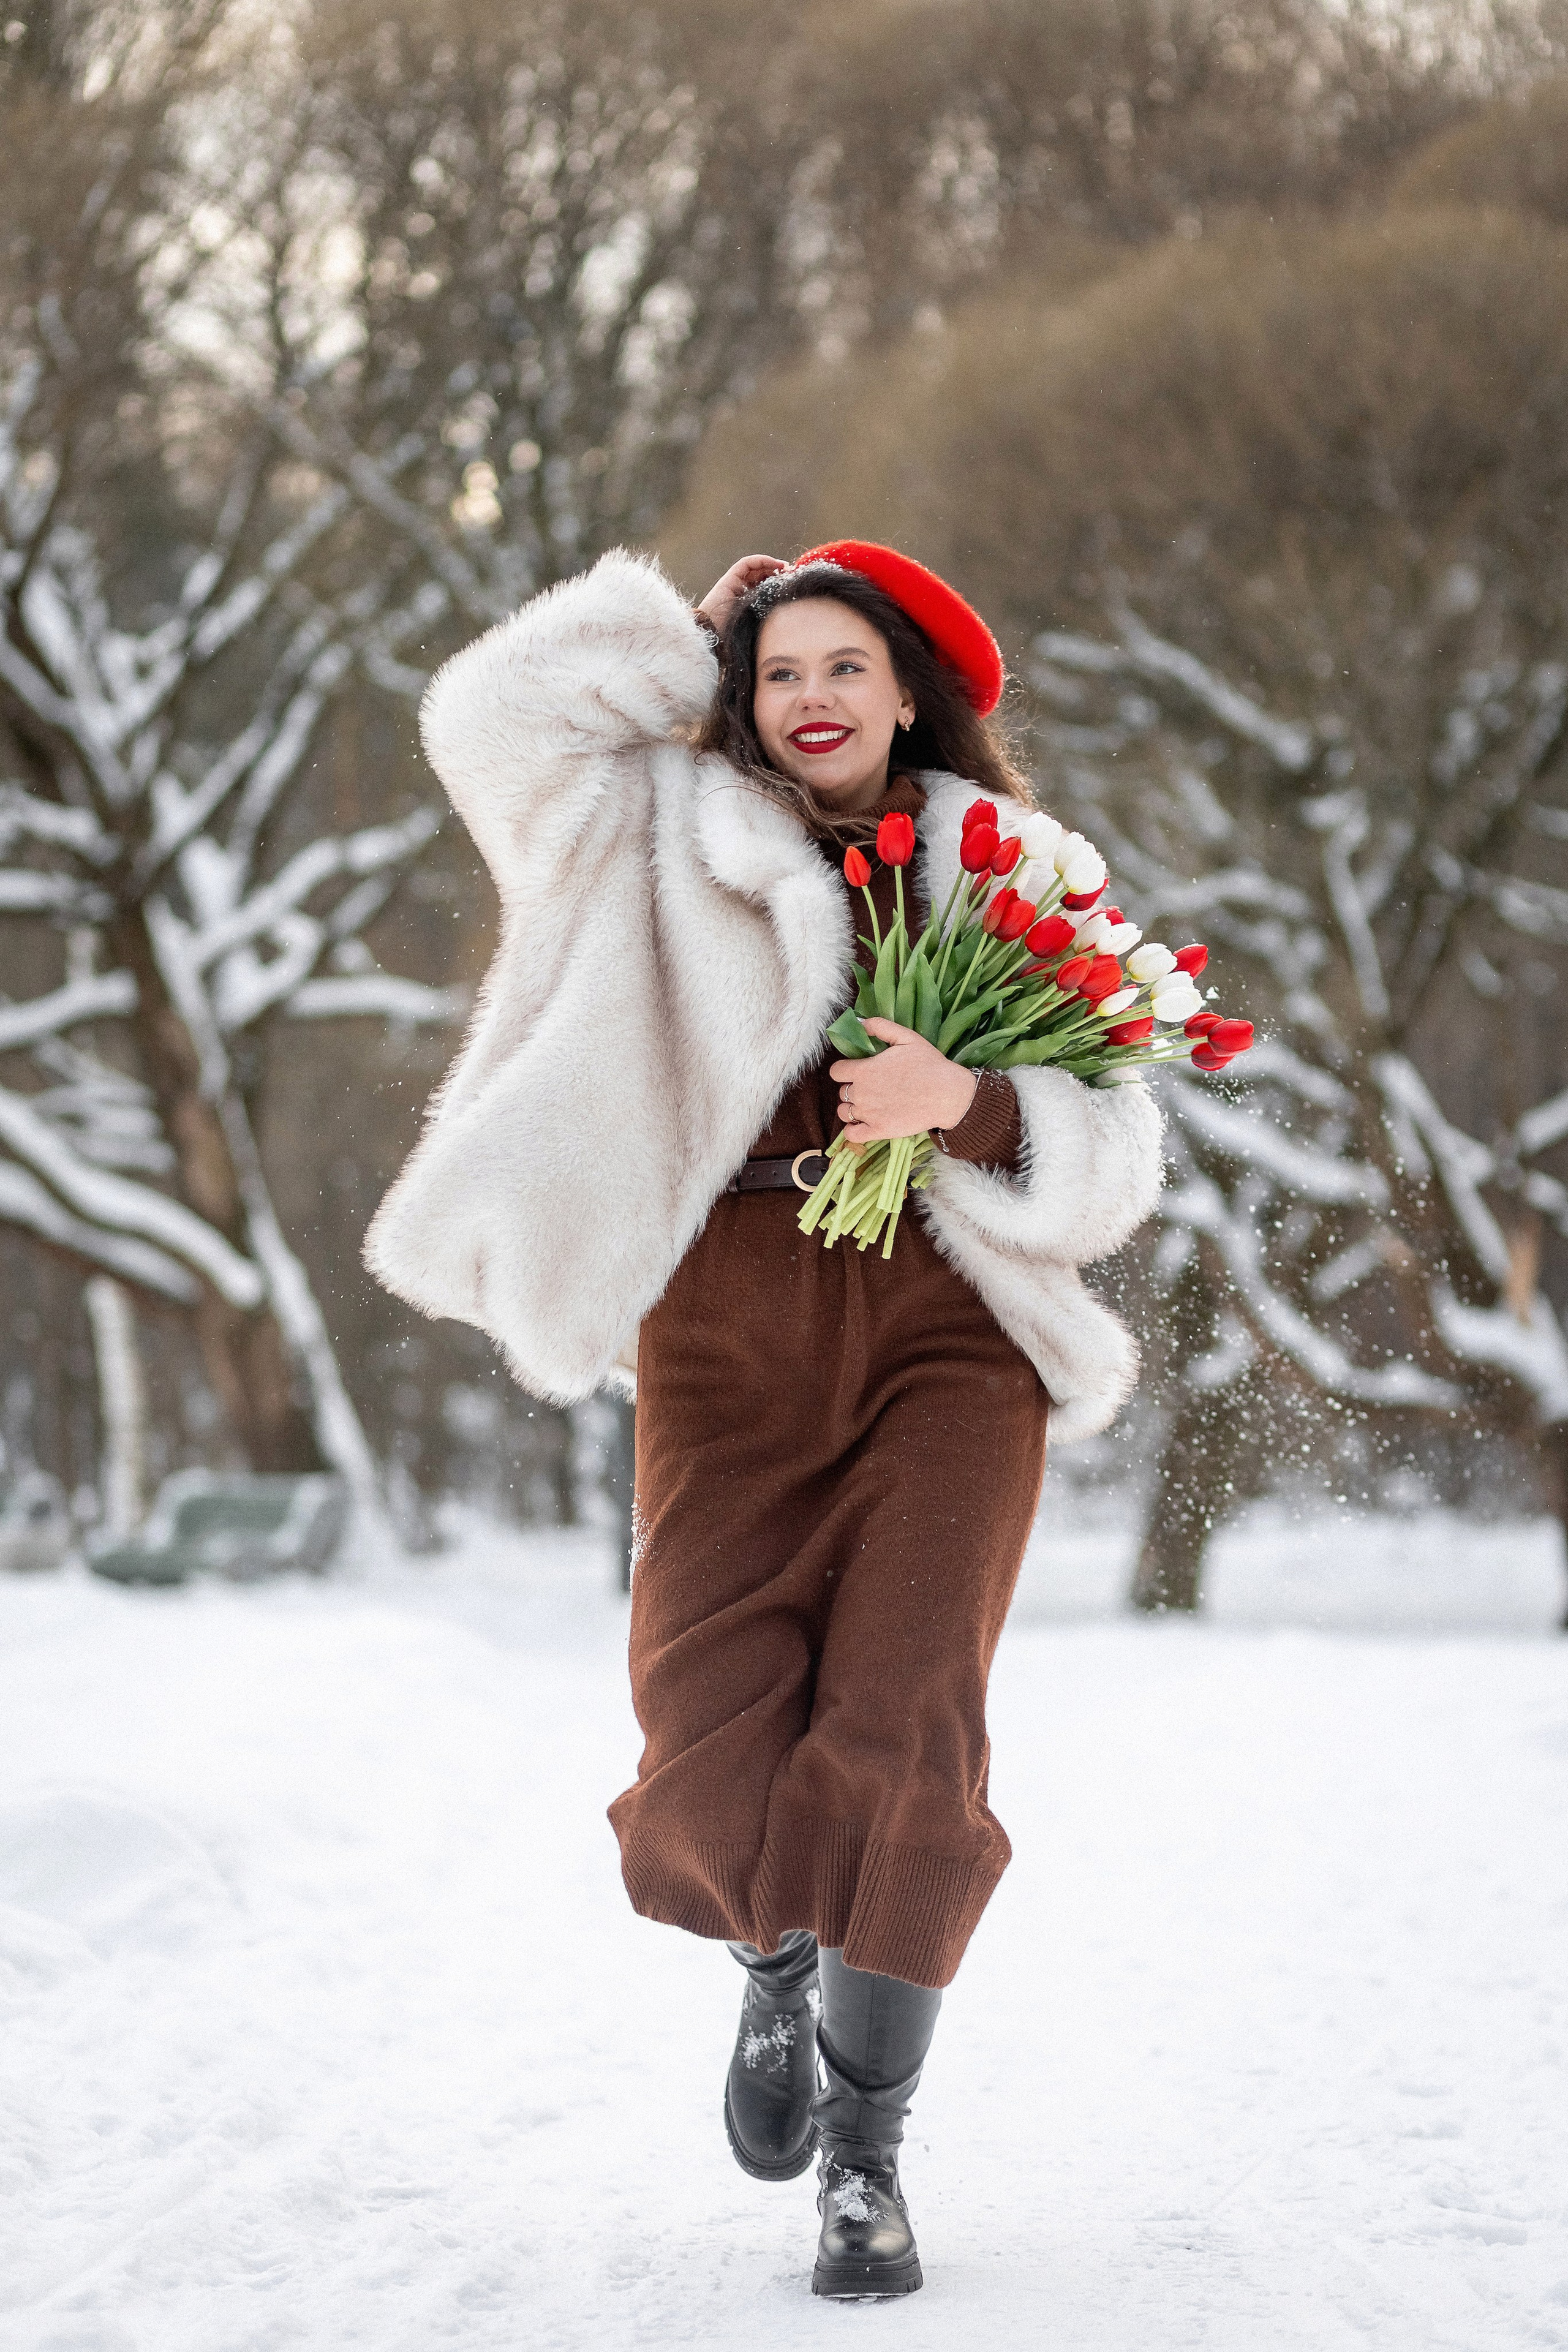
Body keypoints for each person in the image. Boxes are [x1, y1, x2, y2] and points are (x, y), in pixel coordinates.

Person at [365, 539, 1164, 2300]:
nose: (812, 700)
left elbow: (1116, 1147)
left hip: (951, 1329)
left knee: (905, 1720)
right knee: (708, 1731)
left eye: (845, 670)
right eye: (779, 669)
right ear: (742, 689)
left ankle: (868, 2166)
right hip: (725, 1310)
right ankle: (776, 1964)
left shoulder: (1009, 867)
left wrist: (966, 1102)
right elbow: (486, 716)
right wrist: (691, 624)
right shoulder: (648, 832)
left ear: (908, 698)